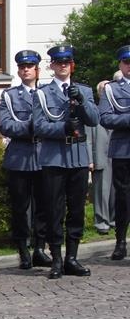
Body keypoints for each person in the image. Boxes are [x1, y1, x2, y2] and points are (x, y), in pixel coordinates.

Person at [33, 45, 99, 278]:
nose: (63, 66)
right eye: (58, 62)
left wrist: (81, 100)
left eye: (67, 62)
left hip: (78, 158)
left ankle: (72, 257)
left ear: (72, 65)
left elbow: (94, 119)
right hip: (54, 158)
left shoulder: (84, 90)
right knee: (54, 210)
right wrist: (63, 128)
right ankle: (57, 259)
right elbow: (39, 126)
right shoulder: (42, 93)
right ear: (52, 65)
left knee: (77, 210)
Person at [0, 50, 52, 269]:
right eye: (22, 67)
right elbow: (5, 125)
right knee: (20, 207)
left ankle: (40, 248)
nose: (26, 70)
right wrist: (30, 126)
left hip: (44, 154)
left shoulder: (47, 93)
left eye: (29, 66)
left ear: (37, 69)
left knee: (43, 205)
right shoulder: (10, 96)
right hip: (19, 156)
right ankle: (23, 249)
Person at [98, 45, 130, 260]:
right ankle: (120, 242)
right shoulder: (112, 89)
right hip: (123, 149)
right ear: (120, 64)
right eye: (126, 62)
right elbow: (105, 117)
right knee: (123, 198)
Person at [88, 85, 115, 235]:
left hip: (117, 156)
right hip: (100, 156)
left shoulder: (119, 110)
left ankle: (114, 220)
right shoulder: (94, 112)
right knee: (101, 192)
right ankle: (101, 223)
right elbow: (88, 138)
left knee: (116, 191)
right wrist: (90, 159)